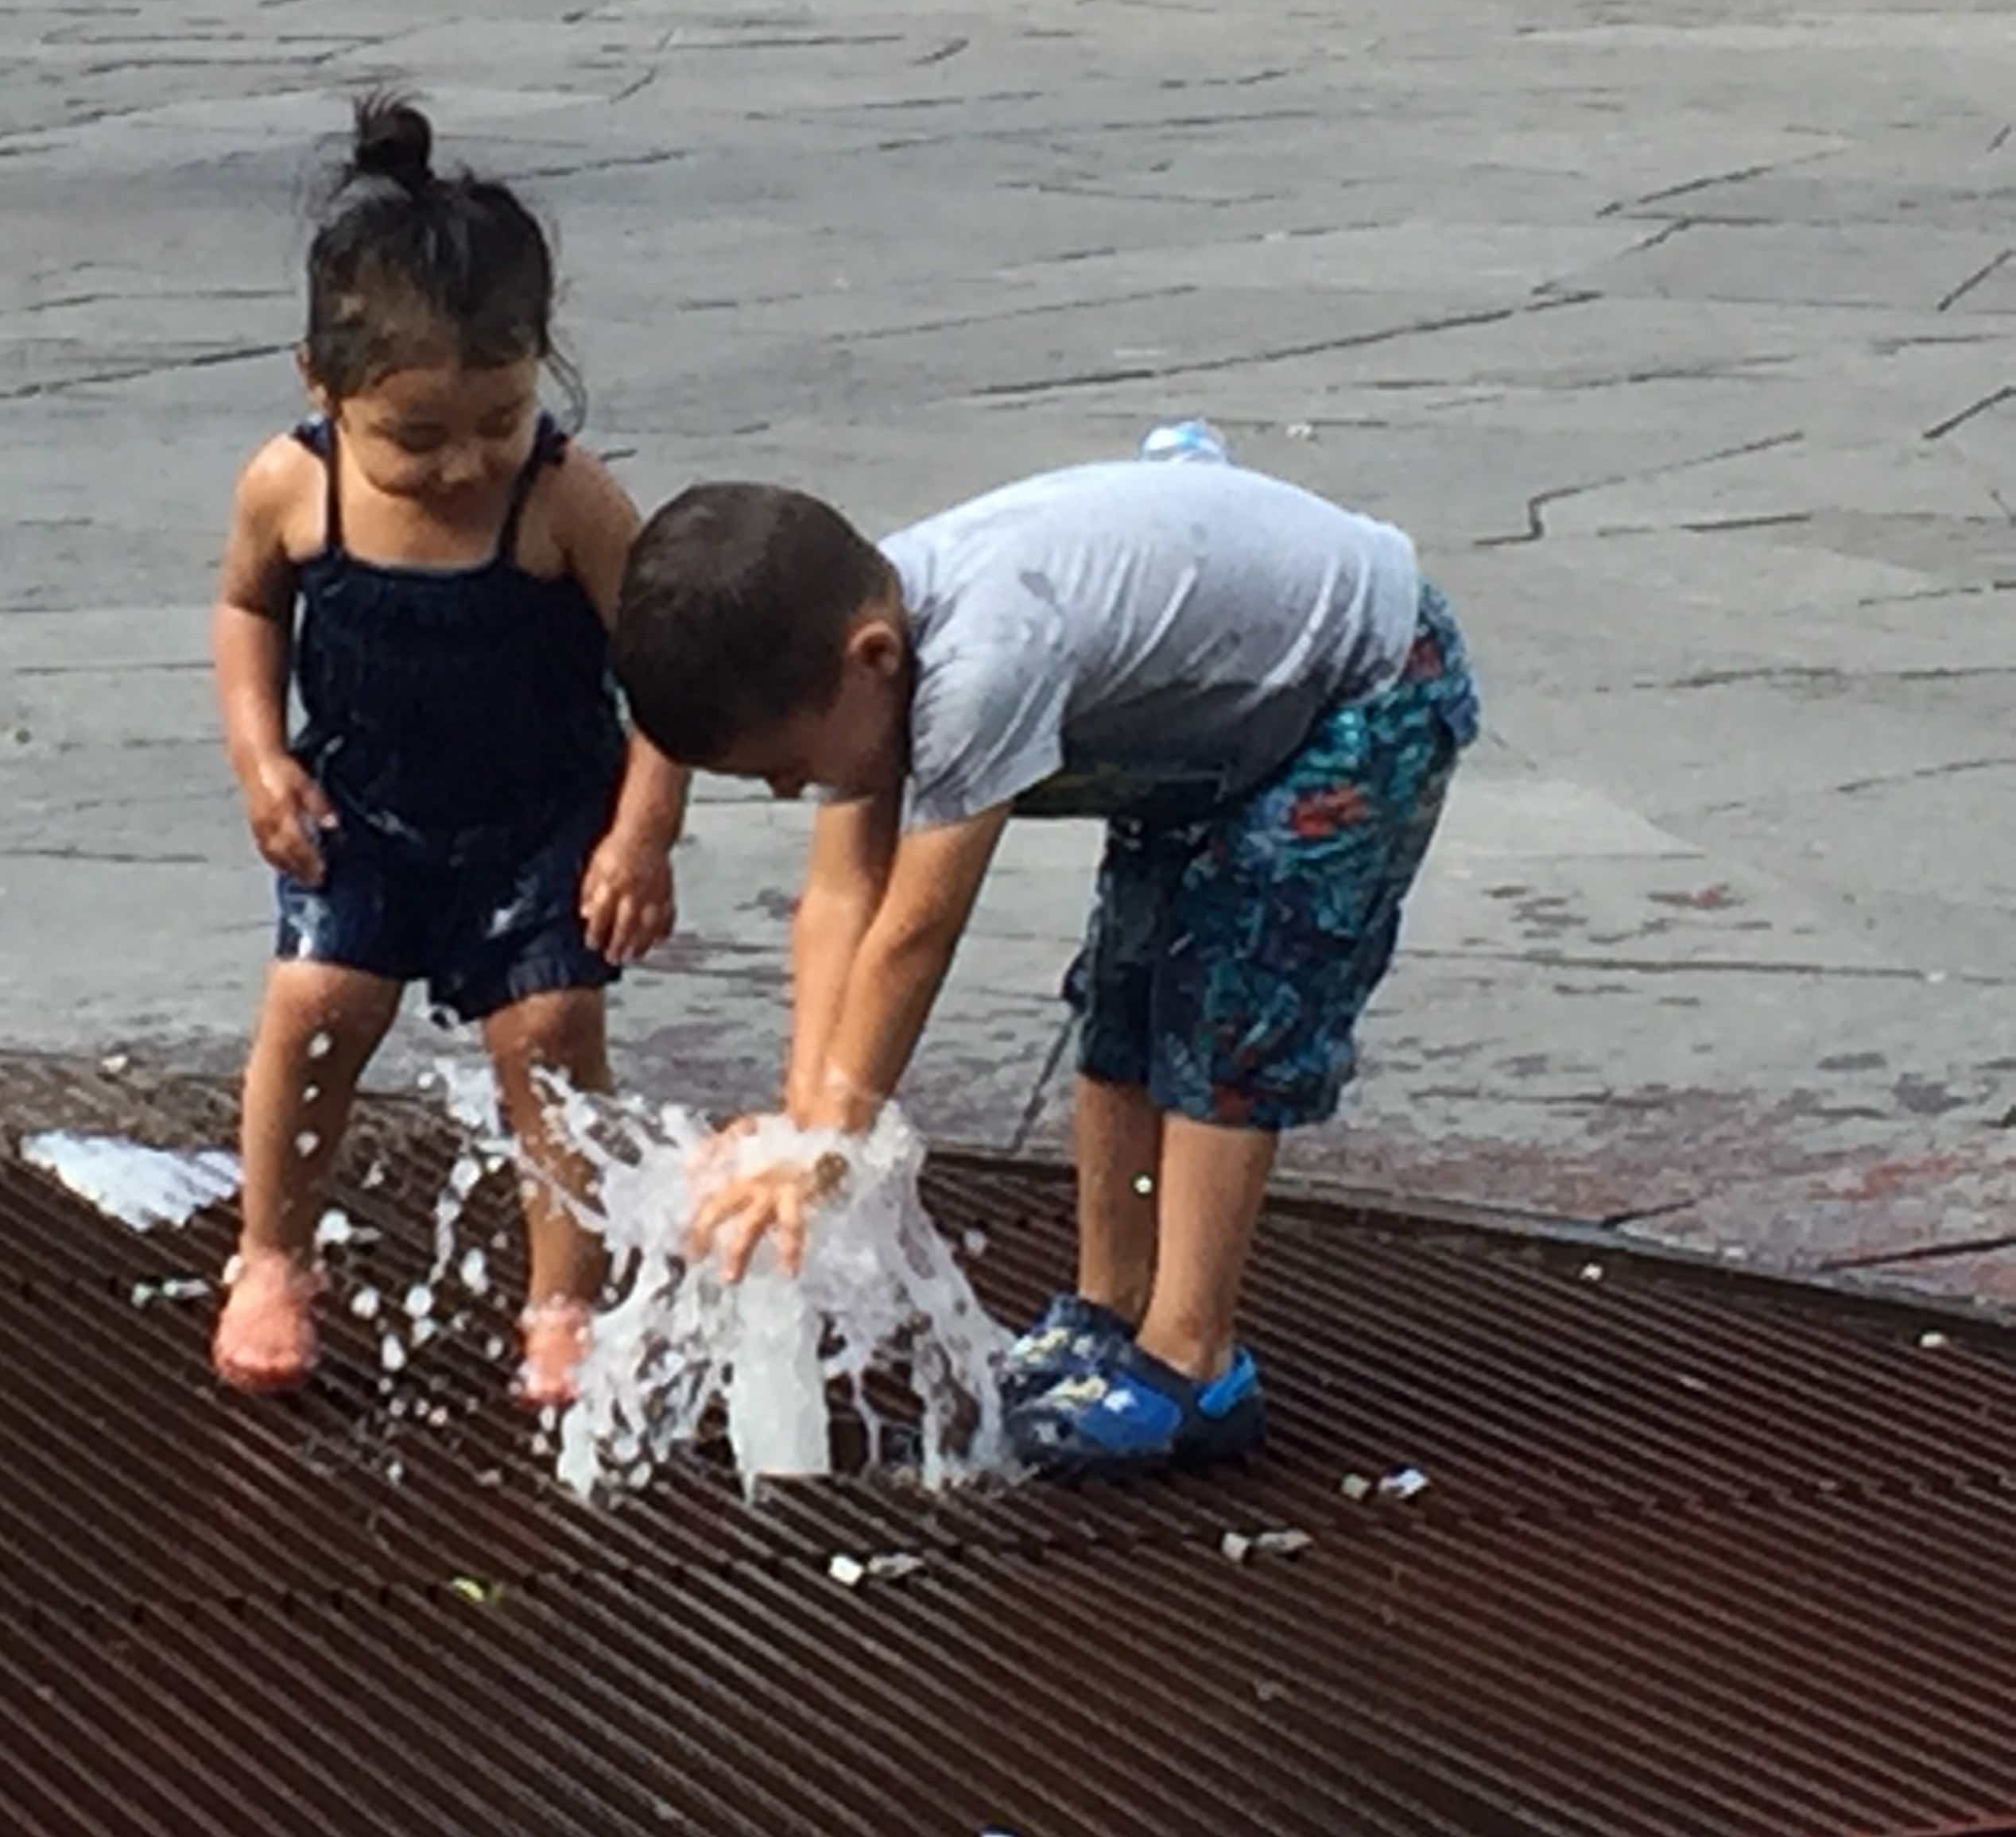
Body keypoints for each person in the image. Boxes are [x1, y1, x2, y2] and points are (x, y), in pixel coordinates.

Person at [608, 455, 1479, 1475]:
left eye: (786, 767)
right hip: (1213, 740)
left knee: (1228, 1017)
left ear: (873, 657)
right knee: (1122, 1004)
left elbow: (914, 931)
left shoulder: (978, 663)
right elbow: (840, 899)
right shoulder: (847, 646)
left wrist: (840, 1128)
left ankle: (1193, 1359)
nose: (784, 792)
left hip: (1362, 691)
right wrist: (806, 1123)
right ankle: (1110, 1308)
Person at [208, 98, 687, 1405]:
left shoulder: (564, 498)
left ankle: (562, 1299)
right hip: (362, 805)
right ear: (320, 386)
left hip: (542, 821)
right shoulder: (292, 485)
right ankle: (271, 1255)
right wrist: (260, 757)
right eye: (416, 437)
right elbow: (249, 609)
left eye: (502, 416)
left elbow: (667, 669)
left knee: (551, 1029)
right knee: (316, 1007)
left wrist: (641, 831)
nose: (466, 461)